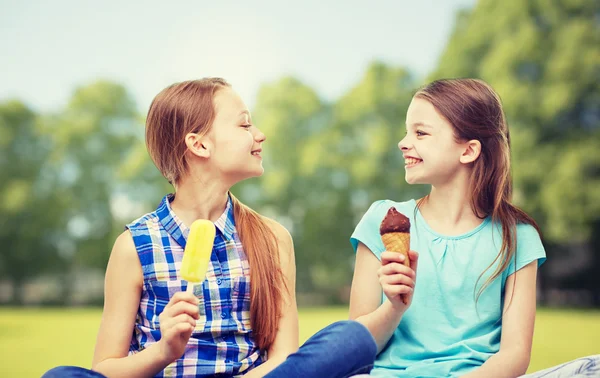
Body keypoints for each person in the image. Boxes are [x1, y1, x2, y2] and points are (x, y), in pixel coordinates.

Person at [42, 78, 376, 378]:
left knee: (352, 339)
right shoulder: (135, 246)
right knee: (61, 376)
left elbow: (284, 358)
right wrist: (164, 350)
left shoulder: (273, 238)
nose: (259, 134)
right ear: (199, 144)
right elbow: (106, 368)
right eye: (244, 125)